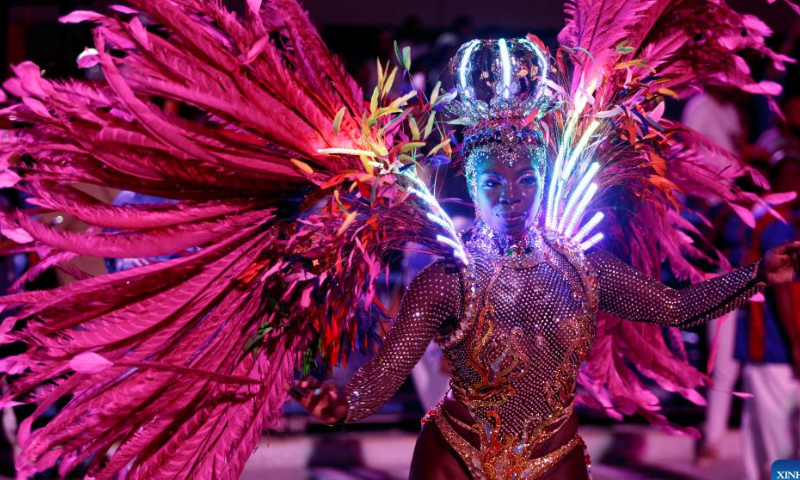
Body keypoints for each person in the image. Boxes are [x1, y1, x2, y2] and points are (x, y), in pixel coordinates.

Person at [0, 2, 797, 480]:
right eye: (495, 174)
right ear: (468, 180)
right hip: (451, 462)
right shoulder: (445, 283)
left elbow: (677, 306)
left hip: (557, 465)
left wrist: (759, 273)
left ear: (545, 167)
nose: (513, 188)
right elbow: (381, 378)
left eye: (525, 171)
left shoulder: (584, 270)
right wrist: (334, 403)